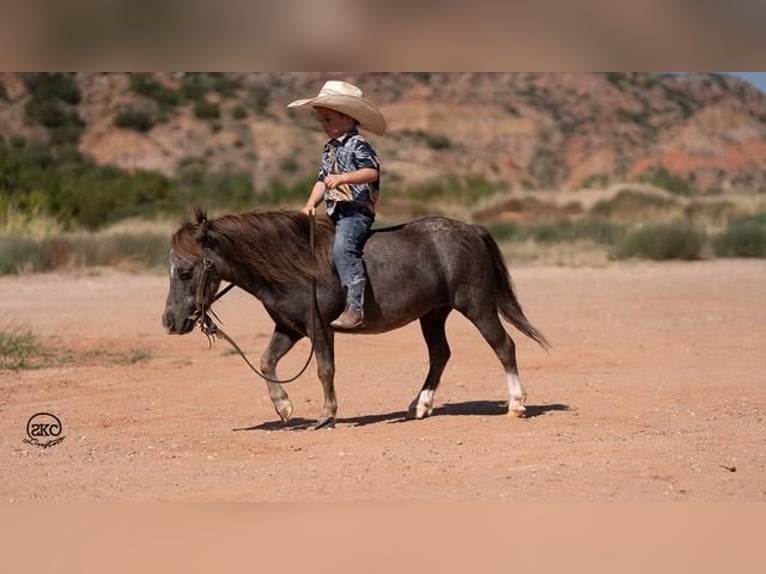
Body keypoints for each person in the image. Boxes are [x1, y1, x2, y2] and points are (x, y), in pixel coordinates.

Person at [288, 80, 386, 329]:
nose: (324, 126)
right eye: (322, 121)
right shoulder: (329, 148)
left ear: (347, 118)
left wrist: (343, 178)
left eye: (329, 120)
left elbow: (370, 172)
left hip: (355, 212)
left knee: (343, 248)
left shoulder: (358, 144)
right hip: (334, 212)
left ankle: (355, 307)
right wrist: (310, 204)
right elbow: (322, 180)